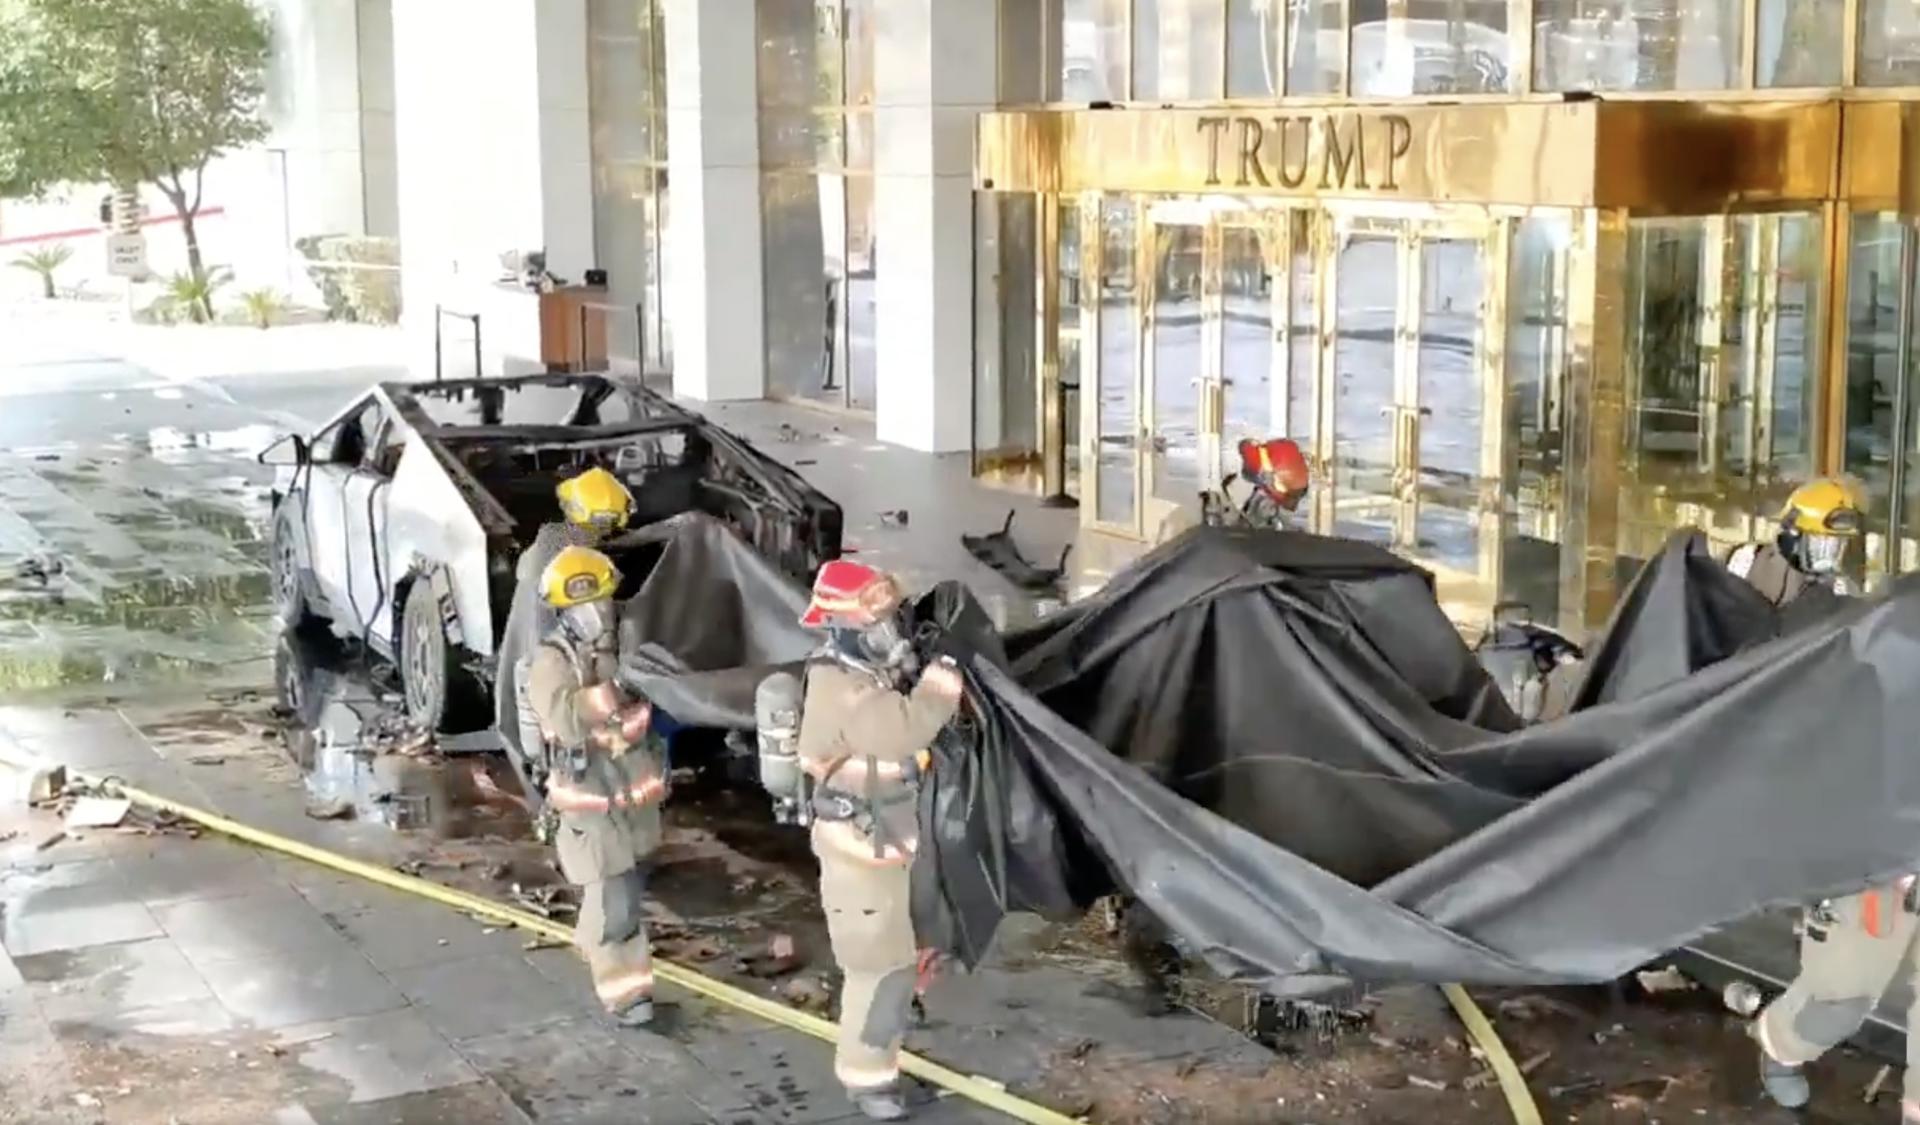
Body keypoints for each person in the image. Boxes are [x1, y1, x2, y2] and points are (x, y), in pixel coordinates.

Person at [794, 559, 964, 1121]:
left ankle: (886, 1044)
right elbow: (905, 728)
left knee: (896, 958)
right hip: (858, 855)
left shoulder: (863, 676)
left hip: (885, 845)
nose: (889, 635)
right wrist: (943, 680)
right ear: (841, 629)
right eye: (877, 625)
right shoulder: (843, 688)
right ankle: (869, 1082)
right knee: (876, 967)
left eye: (891, 621)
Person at [1743, 479, 1892, 1113]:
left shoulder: (1869, 622)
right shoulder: (1767, 612)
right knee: (1842, 997)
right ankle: (1778, 1042)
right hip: (1866, 839)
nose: (1833, 564)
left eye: (1842, 550)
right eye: (1823, 548)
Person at [524, 545, 666, 1028]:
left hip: (631, 798)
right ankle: (626, 994)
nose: (600, 613)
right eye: (590, 605)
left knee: (624, 889)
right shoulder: (551, 663)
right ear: (565, 611)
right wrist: (612, 693)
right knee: (616, 904)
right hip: (592, 802)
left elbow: (640, 715)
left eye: (604, 601)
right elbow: (564, 719)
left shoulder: (612, 650)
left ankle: (601, 952)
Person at [497, 467, 635, 787]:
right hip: (555, 666)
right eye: (606, 523)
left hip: (537, 658)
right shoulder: (573, 559)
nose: (608, 531)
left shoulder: (550, 542)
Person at [1726, 476, 1865, 606]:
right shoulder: (1745, 562)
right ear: (1792, 534)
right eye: (1821, 542)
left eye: (1838, 544)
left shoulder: (1841, 588)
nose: (1830, 554)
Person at [1153, 437, 1311, 545]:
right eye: (1273, 503)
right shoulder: (1189, 519)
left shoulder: (1285, 532)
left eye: (1298, 496)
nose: (1290, 507)